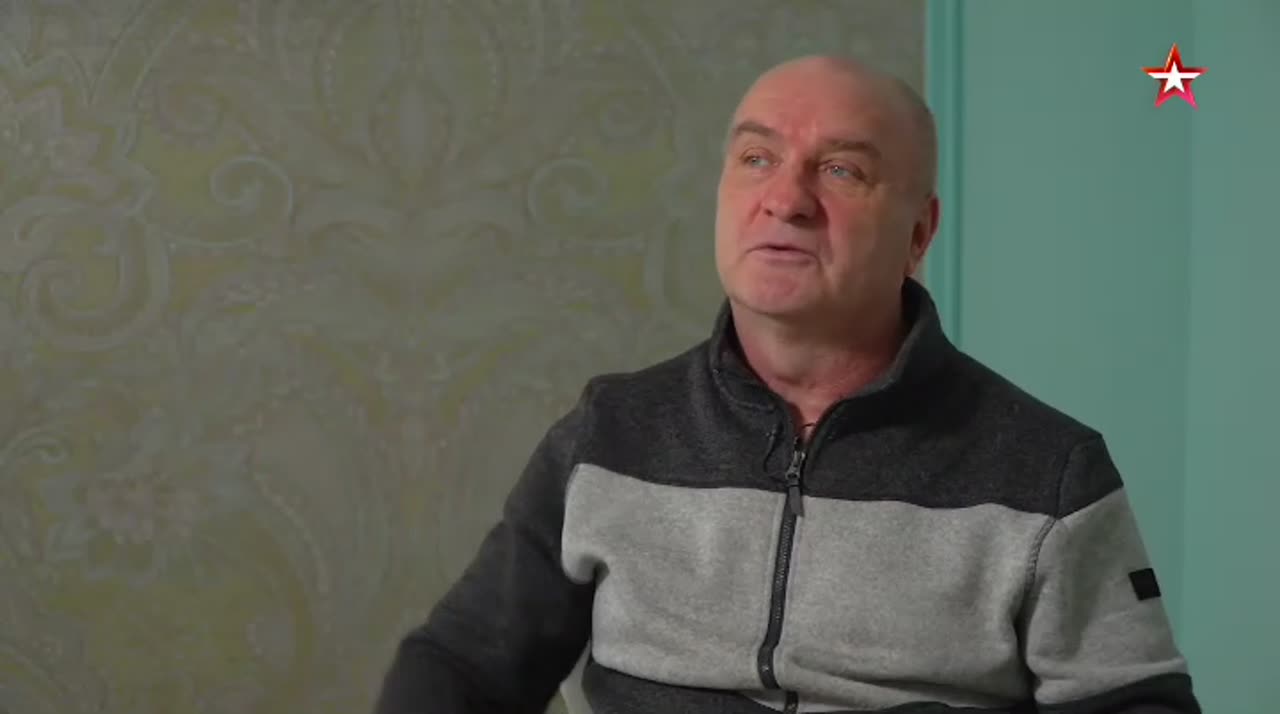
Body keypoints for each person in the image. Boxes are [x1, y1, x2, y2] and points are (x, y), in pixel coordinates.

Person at [372, 55, 1201, 714]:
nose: (786, 199)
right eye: (757, 158)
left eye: (841, 171)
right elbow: (460, 667)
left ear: (918, 233)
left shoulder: (1051, 474)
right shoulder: (609, 434)